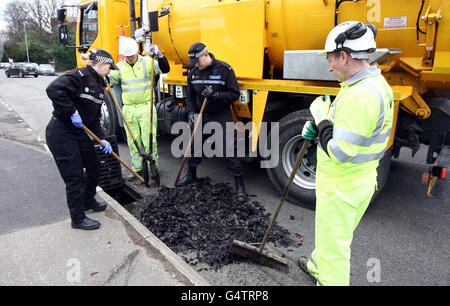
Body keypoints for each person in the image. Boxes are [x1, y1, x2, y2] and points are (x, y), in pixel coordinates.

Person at [298, 21, 394, 285]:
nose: (329, 66)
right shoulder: (374, 84)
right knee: (333, 236)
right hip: (359, 181)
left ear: (344, 55)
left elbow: (340, 151)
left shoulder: (359, 96)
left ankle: (326, 276)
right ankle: (316, 265)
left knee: (335, 252)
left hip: (341, 187)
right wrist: (323, 125)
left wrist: (321, 119)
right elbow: (353, 132)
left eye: (330, 59)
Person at [46, 48, 118, 230]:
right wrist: (72, 112)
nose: (109, 70)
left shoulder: (99, 84)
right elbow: (53, 89)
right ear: (101, 64)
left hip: (79, 133)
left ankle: (88, 201)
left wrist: (103, 139)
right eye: (109, 66)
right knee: (75, 177)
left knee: (94, 166)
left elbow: (93, 119)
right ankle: (77, 219)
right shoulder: (79, 76)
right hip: (61, 133)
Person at [175, 42, 248, 203]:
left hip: (220, 114)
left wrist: (215, 95)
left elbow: (234, 94)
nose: (196, 66)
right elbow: (190, 97)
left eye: (198, 62)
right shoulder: (193, 72)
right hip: (201, 115)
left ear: (206, 55)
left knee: (230, 149)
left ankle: (240, 186)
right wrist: (192, 112)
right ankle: (191, 176)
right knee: (194, 146)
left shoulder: (224, 70)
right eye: (193, 63)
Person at [109, 37, 170, 179]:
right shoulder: (119, 67)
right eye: (127, 56)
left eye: (132, 55)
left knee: (149, 139)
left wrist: (160, 56)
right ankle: (137, 169)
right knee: (132, 139)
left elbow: (165, 68)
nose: (130, 58)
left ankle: (152, 166)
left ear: (136, 52)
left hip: (146, 106)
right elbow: (108, 79)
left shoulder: (148, 62)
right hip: (129, 108)